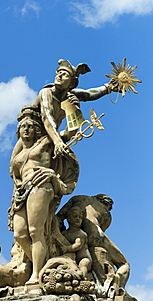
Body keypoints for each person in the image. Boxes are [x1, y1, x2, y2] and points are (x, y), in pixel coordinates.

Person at [9, 107, 79, 285]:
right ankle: (43, 260)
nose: (26, 129)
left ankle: (36, 275)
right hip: (21, 191)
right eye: (23, 126)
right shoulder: (18, 153)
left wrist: (72, 108)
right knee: (20, 234)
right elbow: (14, 173)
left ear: (37, 129)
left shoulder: (46, 142)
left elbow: (71, 131)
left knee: (35, 231)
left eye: (30, 126)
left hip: (41, 185)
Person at [11, 59, 114, 161]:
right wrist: (57, 142)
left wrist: (108, 87)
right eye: (59, 73)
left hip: (52, 137)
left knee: (70, 160)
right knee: (14, 165)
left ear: (71, 83)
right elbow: (47, 117)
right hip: (31, 138)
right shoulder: (46, 93)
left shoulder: (69, 98)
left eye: (64, 74)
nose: (59, 76)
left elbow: (89, 94)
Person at [56, 194, 130, 290]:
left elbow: (59, 217)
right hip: (95, 235)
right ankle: (116, 290)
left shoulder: (77, 199)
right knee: (124, 263)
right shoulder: (107, 214)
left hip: (74, 236)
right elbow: (100, 232)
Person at [60, 206, 92, 278]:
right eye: (75, 216)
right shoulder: (64, 234)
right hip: (70, 259)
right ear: (69, 219)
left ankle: (83, 279)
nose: (78, 218)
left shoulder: (81, 234)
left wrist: (67, 249)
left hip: (83, 258)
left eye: (80, 217)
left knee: (83, 264)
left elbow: (78, 245)